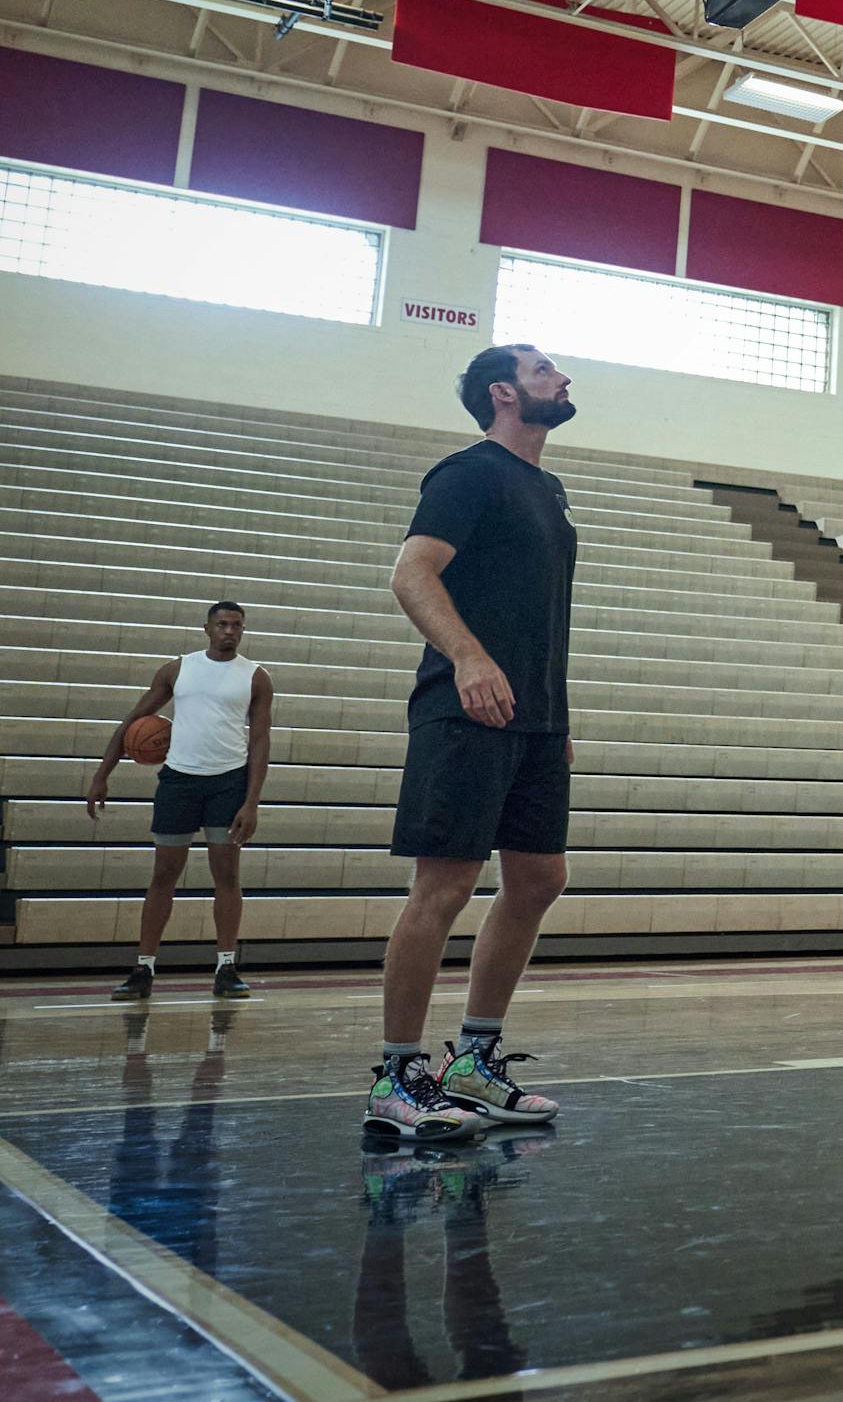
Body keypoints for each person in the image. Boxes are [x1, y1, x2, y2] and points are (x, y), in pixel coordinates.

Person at [368, 344, 578, 1141]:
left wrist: (557, 713)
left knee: (538, 879)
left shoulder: (547, 489)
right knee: (445, 886)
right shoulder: (469, 473)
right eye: (544, 370)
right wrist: (467, 657)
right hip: (464, 707)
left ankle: (474, 1063)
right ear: (504, 391)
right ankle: (395, 1077)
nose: (562, 380)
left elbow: (538, 615)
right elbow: (411, 573)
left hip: (535, 716)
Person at [89, 601, 271, 1001]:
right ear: (206, 628)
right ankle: (144, 968)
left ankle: (226, 967)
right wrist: (103, 773)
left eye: (237, 625)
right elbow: (132, 722)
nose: (229, 631)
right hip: (179, 781)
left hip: (229, 782)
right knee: (163, 875)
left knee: (226, 875)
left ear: (243, 630)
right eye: (222, 624)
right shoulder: (177, 669)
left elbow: (260, 741)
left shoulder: (256, 678)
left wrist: (252, 801)